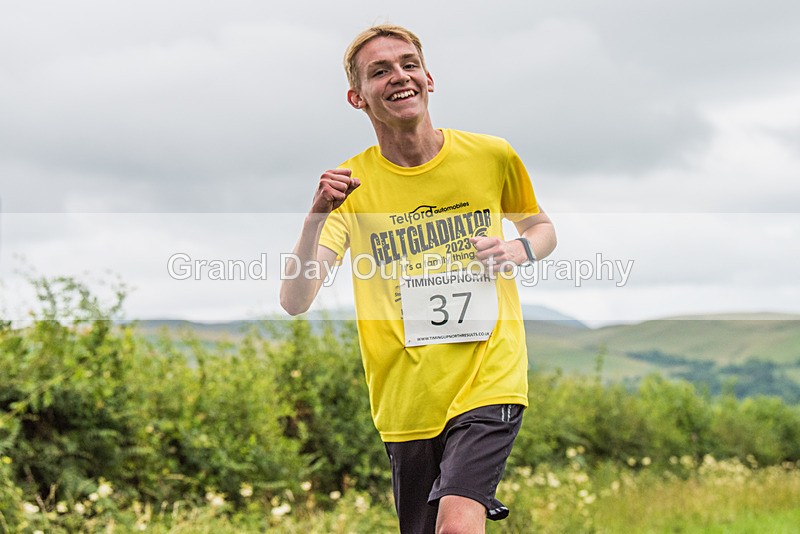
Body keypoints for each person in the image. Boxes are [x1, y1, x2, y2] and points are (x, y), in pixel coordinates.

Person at [280, 24, 556, 534]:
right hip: (405, 400)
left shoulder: (491, 156)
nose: (399, 76)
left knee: (457, 524)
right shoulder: (349, 188)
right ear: (356, 97)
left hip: (489, 376)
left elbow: (540, 228)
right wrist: (316, 216)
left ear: (429, 78)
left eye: (408, 64)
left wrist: (517, 249)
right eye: (379, 71)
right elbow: (296, 299)